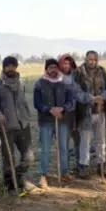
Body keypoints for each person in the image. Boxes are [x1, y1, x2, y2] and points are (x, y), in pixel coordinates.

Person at [0, 56, 35, 196]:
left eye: (13, 66)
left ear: (16, 67)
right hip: (7, 127)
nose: (10, 68)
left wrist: (27, 116)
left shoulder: (21, 83)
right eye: (7, 66)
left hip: (23, 125)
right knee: (8, 158)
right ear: (3, 67)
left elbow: (23, 102)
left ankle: (19, 177)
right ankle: (10, 185)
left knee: (29, 157)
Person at [33, 59, 75, 188]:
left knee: (63, 147)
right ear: (46, 69)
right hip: (46, 121)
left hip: (62, 120)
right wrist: (50, 110)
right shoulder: (39, 83)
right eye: (50, 68)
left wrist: (62, 109)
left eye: (55, 67)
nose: (53, 70)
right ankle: (43, 175)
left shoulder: (65, 83)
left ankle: (64, 172)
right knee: (46, 149)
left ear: (58, 68)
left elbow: (70, 101)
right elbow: (37, 103)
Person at [58, 54, 103, 172]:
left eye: (69, 63)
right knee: (64, 143)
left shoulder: (74, 76)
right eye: (64, 63)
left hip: (76, 113)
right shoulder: (56, 78)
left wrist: (92, 98)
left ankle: (80, 166)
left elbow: (79, 93)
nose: (66, 66)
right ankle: (64, 170)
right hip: (63, 114)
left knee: (79, 141)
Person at [74, 50, 106, 178]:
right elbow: (77, 92)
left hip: (101, 111)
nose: (92, 62)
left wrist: (103, 96)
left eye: (95, 59)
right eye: (90, 59)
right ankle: (83, 166)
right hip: (85, 112)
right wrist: (91, 98)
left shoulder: (102, 72)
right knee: (85, 141)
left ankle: (101, 165)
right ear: (85, 59)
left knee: (101, 141)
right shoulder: (79, 73)